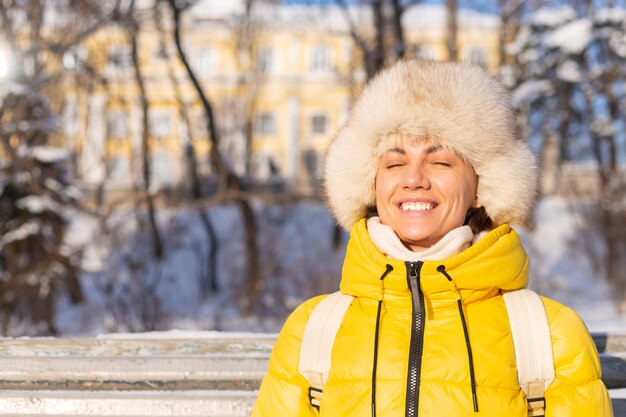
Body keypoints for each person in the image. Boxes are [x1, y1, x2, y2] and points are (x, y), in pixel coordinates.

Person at [251, 59, 612, 416]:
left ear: (480, 187)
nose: (414, 179)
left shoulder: (548, 335)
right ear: (372, 186)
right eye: (394, 163)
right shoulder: (314, 329)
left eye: (441, 162)